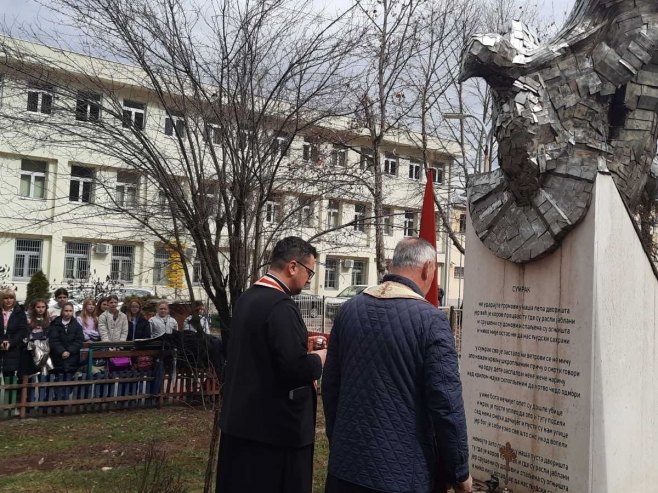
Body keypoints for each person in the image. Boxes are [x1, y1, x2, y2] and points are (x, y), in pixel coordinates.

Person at [322, 238, 472, 493]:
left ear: (393, 265)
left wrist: (339, 442)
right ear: (427, 269)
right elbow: (446, 405)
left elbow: (331, 387)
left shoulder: (349, 310)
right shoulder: (431, 321)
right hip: (402, 476)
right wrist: (459, 471)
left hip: (345, 469)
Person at [216, 236, 327, 493]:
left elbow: (261, 354)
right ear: (292, 267)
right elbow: (294, 370)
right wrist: (319, 358)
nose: (309, 279)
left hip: (241, 423)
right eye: (309, 271)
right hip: (274, 435)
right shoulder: (280, 306)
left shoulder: (247, 298)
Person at [48, 302, 84, 374]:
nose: (68, 313)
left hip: (72, 357)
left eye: (70, 311)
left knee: (70, 376)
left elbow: (79, 340)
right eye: (66, 311)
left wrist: (69, 351)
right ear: (62, 311)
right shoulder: (55, 324)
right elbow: (53, 340)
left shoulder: (77, 325)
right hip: (57, 357)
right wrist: (62, 351)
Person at [0, 288, 28, 376]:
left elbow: (22, 330)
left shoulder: (20, 313)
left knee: (9, 378)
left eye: (11, 298)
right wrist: (1, 342)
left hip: (13, 349)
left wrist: (10, 342)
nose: (9, 300)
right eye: (6, 298)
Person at [21, 298, 52, 376]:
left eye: (43, 307)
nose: (41, 309)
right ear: (34, 308)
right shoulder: (29, 320)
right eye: (38, 307)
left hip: (45, 346)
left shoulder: (48, 320)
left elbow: (49, 334)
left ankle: (43, 373)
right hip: (31, 346)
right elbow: (26, 334)